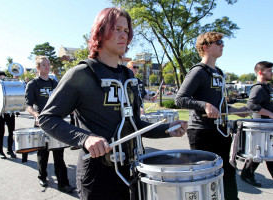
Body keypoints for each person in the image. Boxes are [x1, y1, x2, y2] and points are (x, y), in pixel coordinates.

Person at [39, 7, 187, 200]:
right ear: (100, 31)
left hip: (132, 171)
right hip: (97, 175)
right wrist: (86, 139)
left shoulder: (128, 76)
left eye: (126, 31)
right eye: (116, 29)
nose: (123, 35)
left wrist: (167, 129)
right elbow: (47, 118)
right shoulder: (81, 73)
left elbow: (135, 125)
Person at [175, 31, 249, 200]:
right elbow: (180, 99)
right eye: (219, 42)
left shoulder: (220, 73)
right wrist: (204, 105)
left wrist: (236, 110)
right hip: (202, 132)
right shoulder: (198, 72)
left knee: (228, 171)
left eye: (222, 42)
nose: (223, 45)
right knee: (205, 177)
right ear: (206, 47)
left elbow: (220, 104)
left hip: (221, 130)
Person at [25, 56, 74, 193]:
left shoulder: (54, 83)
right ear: (38, 68)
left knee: (59, 155)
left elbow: (62, 100)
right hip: (41, 122)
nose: (47, 66)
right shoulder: (33, 84)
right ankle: (42, 176)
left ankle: (63, 183)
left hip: (56, 122)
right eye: (44, 64)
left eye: (48, 64)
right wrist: (36, 115)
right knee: (43, 154)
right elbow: (28, 105)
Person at [240, 61, 273, 186]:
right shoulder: (258, 88)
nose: (271, 73)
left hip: (268, 126)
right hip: (261, 126)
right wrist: (269, 114)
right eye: (269, 71)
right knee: (265, 153)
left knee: (262, 153)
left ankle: (246, 174)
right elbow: (252, 105)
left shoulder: (268, 87)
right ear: (260, 72)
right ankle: (246, 174)